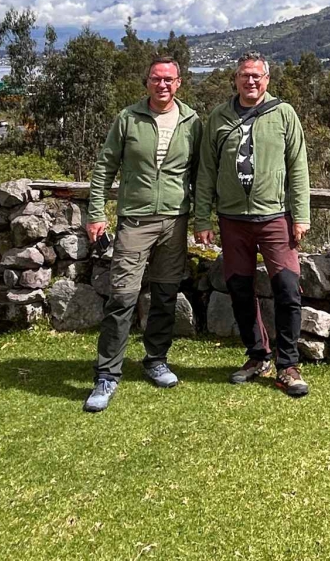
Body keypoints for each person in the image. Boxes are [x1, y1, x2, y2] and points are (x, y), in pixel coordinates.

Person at [81, 56, 200, 412]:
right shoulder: (128, 118)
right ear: (146, 82)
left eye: (169, 79)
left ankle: (155, 360)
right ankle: (106, 375)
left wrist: (203, 216)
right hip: (135, 220)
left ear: (179, 82)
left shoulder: (192, 121)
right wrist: (96, 212)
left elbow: (201, 173)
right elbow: (105, 167)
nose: (162, 85)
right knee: (122, 297)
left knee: (165, 294)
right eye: (155, 79)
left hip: (175, 221)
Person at [194, 52, 312, 397]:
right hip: (232, 220)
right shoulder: (218, 117)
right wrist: (203, 217)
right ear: (235, 79)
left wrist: (300, 215)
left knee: (288, 290)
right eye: (245, 75)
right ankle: (257, 356)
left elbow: (298, 168)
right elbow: (206, 173)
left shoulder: (284, 114)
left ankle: (288, 365)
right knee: (240, 290)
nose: (251, 81)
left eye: (257, 76)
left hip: (275, 216)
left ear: (267, 80)